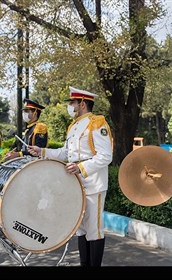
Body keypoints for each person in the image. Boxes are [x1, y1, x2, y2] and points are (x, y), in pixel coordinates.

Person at [28, 86, 113, 267]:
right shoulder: (74, 126)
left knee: (94, 229)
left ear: (82, 103)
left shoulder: (97, 123)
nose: (71, 106)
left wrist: (81, 167)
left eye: (73, 102)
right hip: (76, 183)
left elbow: (106, 156)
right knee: (81, 229)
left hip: (93, 182)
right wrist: (42, 151)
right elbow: (66, 153)